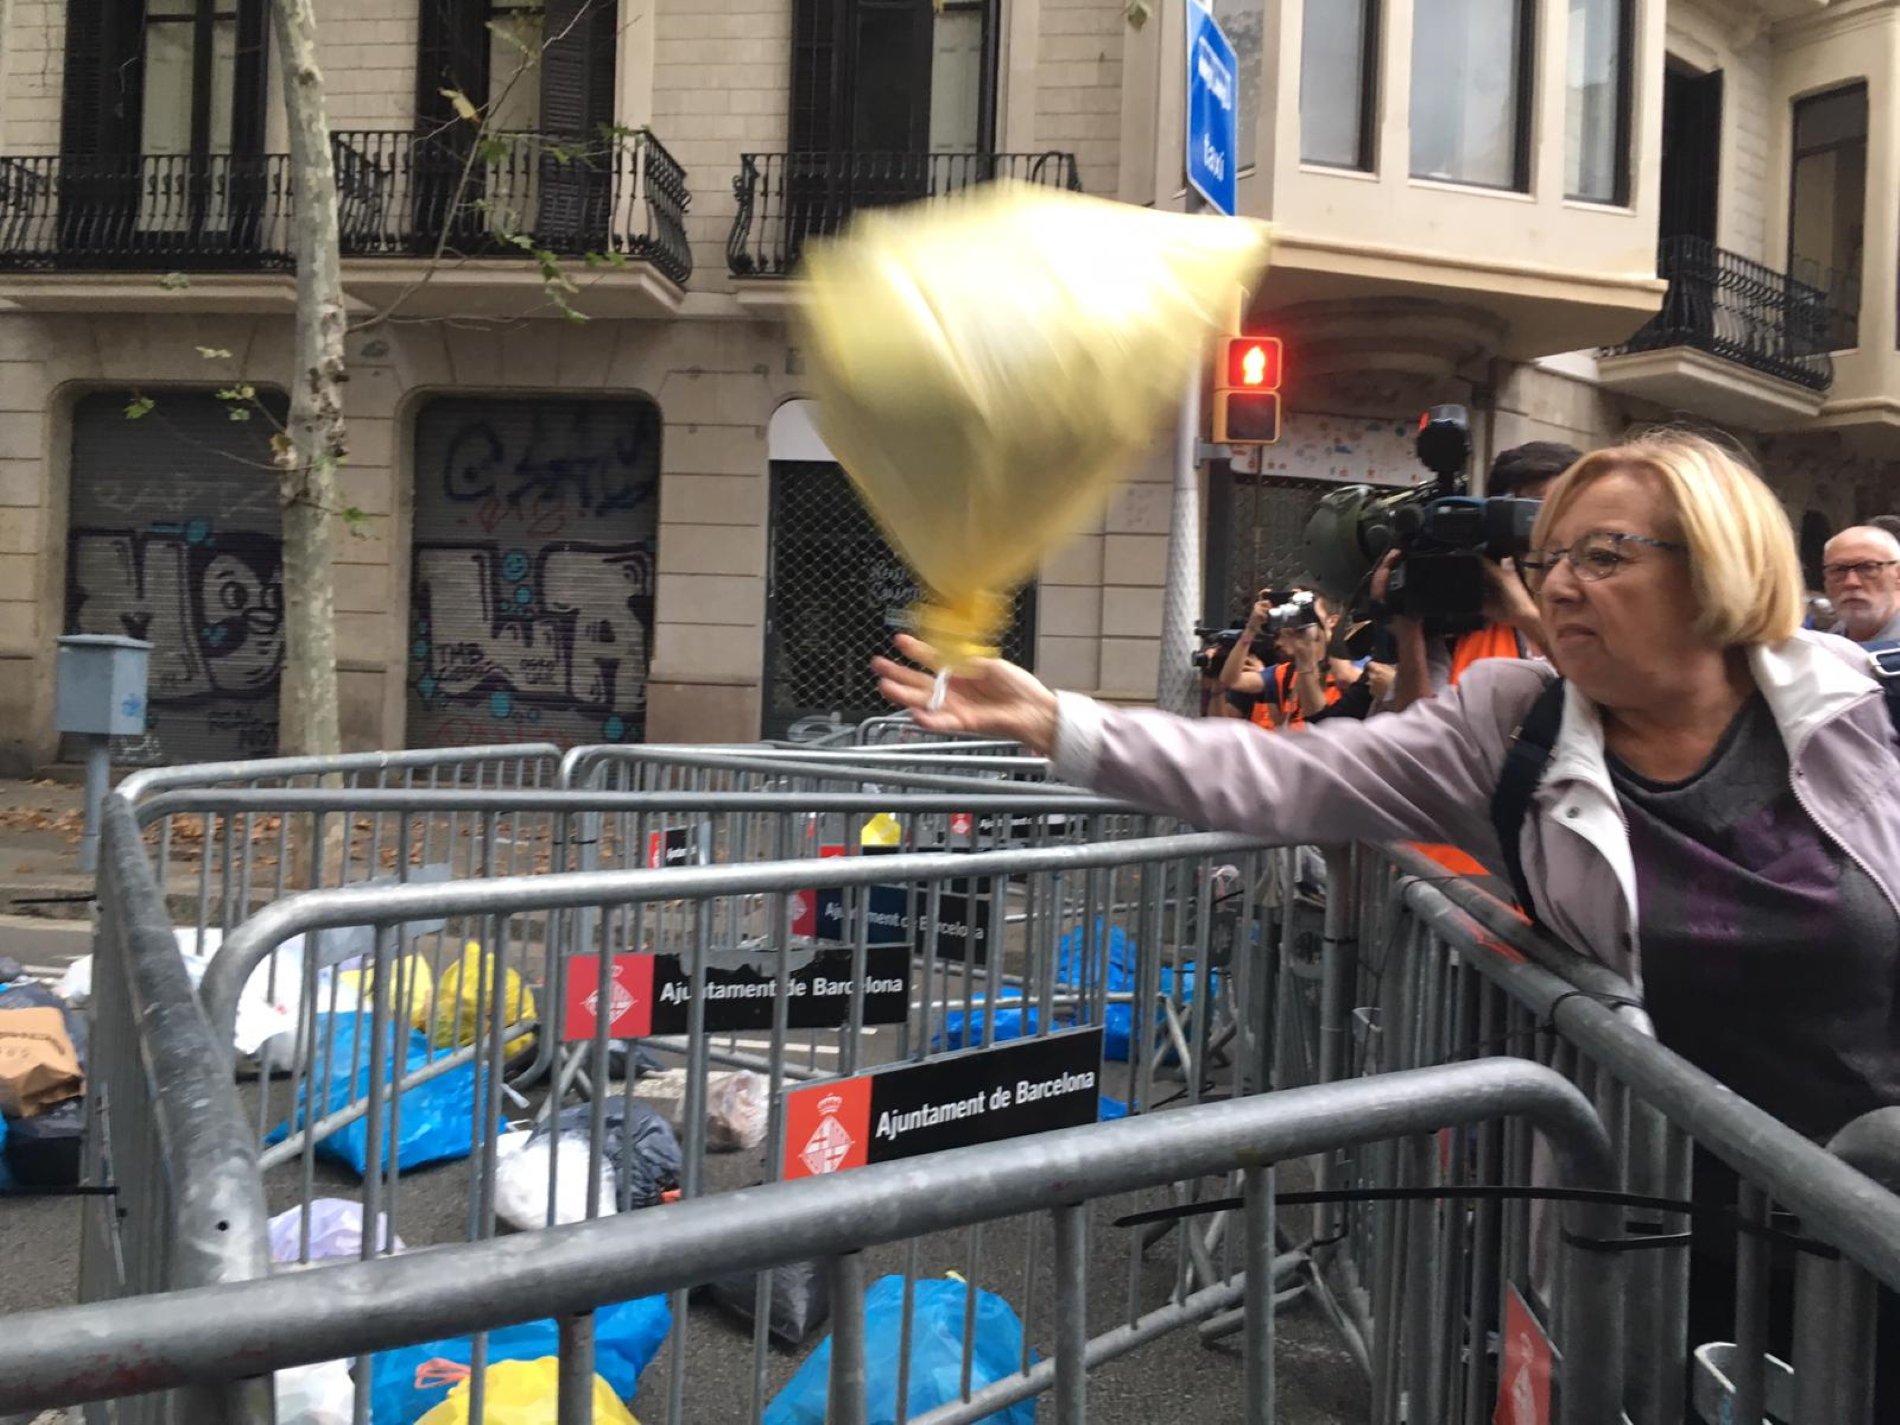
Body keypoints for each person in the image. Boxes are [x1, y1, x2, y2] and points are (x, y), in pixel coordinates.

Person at [875, 430, 1899, 1405]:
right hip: (1663, 1223)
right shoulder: (1507, 724)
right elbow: (1281, 773)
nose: (1558, 583)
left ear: (1717, 563)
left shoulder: (1854, 705)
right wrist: (1054, 721)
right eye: (1547, 557)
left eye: (1603, 553)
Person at [1377, 441, 1578, 711]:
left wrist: (1529, 620)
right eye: (1538, 511)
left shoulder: (1602, 597)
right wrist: (1408, 631)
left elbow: (1616, 707)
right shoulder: (1465, 608)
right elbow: (1417, 737)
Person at [1218, 590, 1362, 728]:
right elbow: (1231, 680)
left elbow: (1346, 678)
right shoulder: (1286, 673)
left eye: (1308, 609)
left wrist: (1329, 634)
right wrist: (1251, 629)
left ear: (1332, 620)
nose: (1301, 616)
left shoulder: (1346, 669)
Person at [1821, 523, 1900, 649]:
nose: (1851, 582)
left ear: (1898, 575)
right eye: (1838, 570)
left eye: (1868, 568)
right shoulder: (1825, 644)